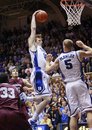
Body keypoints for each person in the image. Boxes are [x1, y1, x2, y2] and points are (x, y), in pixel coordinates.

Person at [46, 39, 92, 130]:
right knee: (89, 110)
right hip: (79, 82)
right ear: (71, 46)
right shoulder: (78, 53)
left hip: (69, 86)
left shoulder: (59, 58)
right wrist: (83, 45)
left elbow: (47, 70)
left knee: (73, 114)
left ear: (64, 46)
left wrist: (48, 61)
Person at [27, 10, 52, 126]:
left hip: (43, 74)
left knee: (38, 99)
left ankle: (26, 98)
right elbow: (33, 30)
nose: (40, 40)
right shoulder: (33, 47)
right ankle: (33, 118)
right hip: (38, 73)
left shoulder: (42, 50)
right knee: (47, 98)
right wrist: (33, 16)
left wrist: (50, 62)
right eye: (38, 39)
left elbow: (46, 65)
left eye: (41, 39)